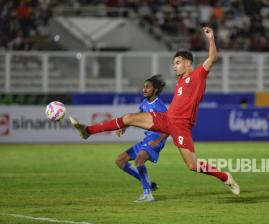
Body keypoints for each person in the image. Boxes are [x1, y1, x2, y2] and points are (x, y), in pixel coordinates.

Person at [70, 27, 240, 195]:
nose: (174, 66)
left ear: (188, 62)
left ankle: (224, 177)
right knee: (128, 118)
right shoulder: (180, 80)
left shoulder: (198, 75)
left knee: (192, 165)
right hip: (166, 119)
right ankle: (88, 131)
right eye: (174, 63)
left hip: (181, 126)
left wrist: (210, 38)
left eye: (178, 62)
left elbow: (212, 57)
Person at [115, 74, 168, 202]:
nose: (144, 89)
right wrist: (125, 126)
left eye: (148, 87)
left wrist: (158, 141)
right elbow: (139, 115)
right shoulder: (145, 102)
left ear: (155, 89)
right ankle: (149, 184)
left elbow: (169, 127)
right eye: (143, 87)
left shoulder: (159, 106)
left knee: (139, 160)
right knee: (120, 161)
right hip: (147, 139)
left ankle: (147, 194)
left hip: (156, 139)